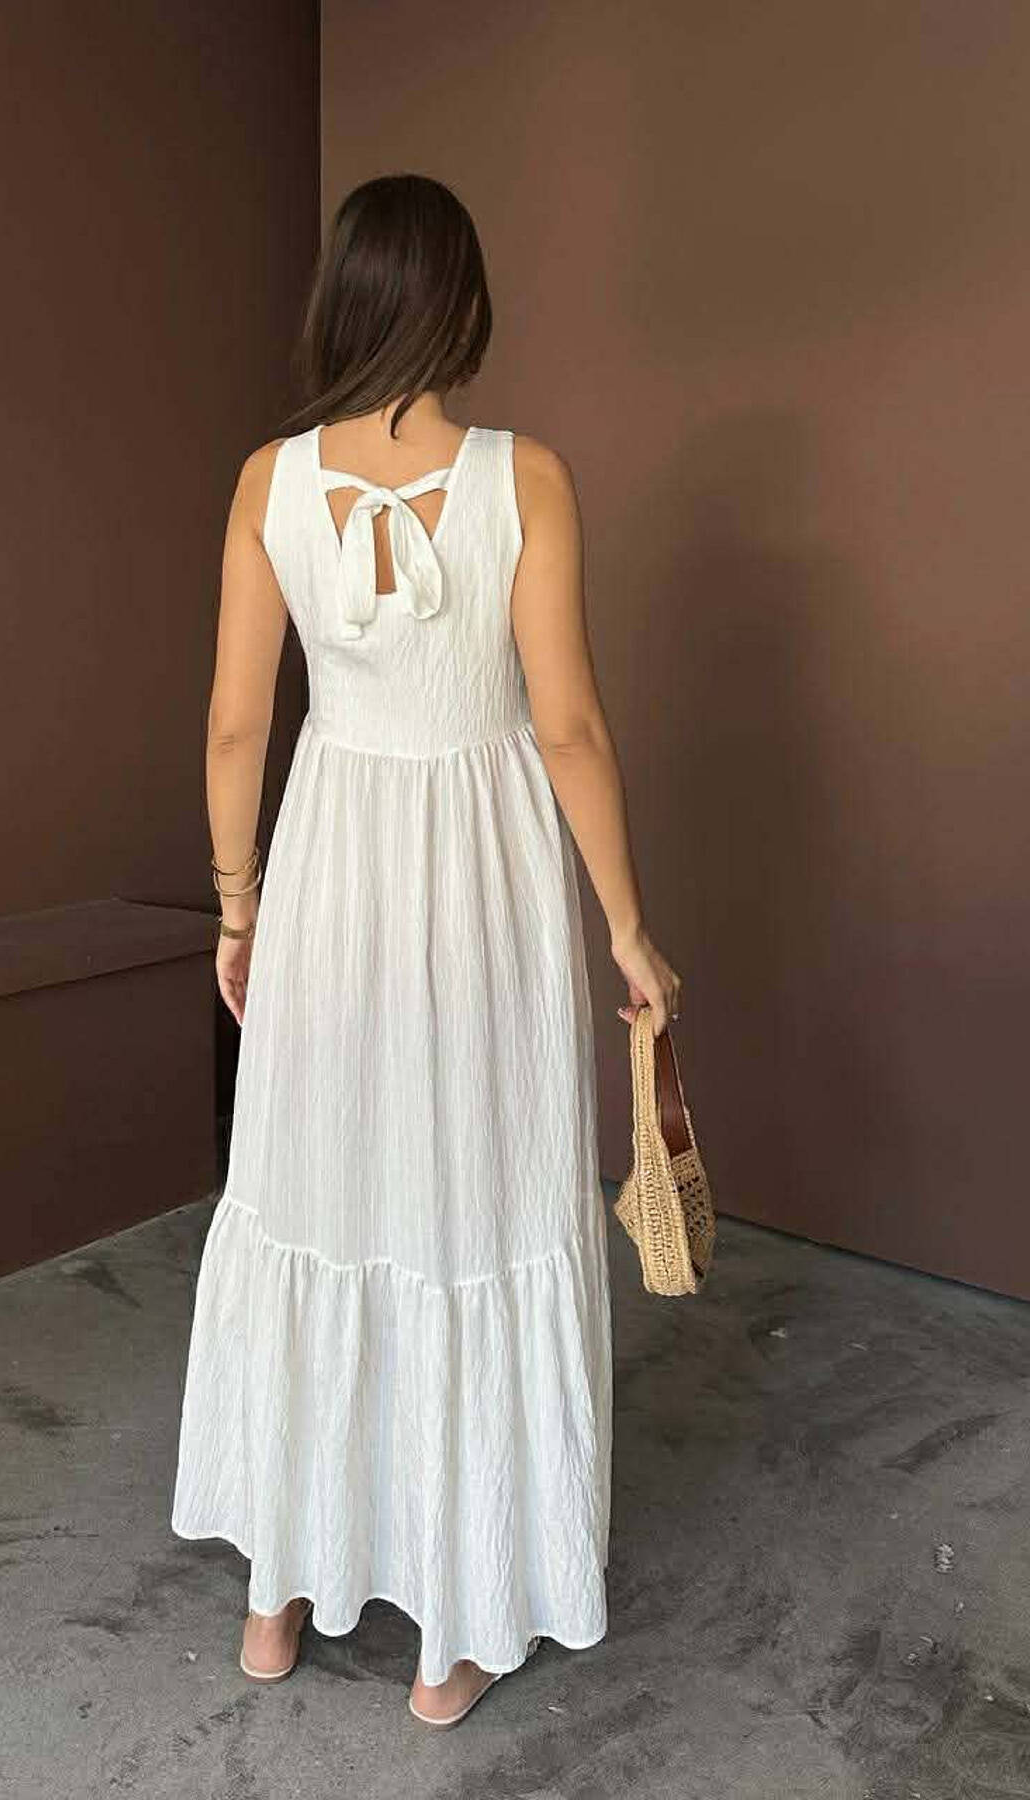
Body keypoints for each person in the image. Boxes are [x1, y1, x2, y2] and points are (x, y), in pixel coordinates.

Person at [170, 172, 681, 1729]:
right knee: (472, 1198)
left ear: (343, 301)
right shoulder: (528, 479)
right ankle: (452, 1635)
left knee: (319, 1185)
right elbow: (568, 726)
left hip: (330, 871)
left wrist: (238, 904)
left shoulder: (267, 481)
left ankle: (276, 1599)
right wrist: (628, 927)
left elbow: (238, 724)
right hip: (484, 882)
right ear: (462, 306)